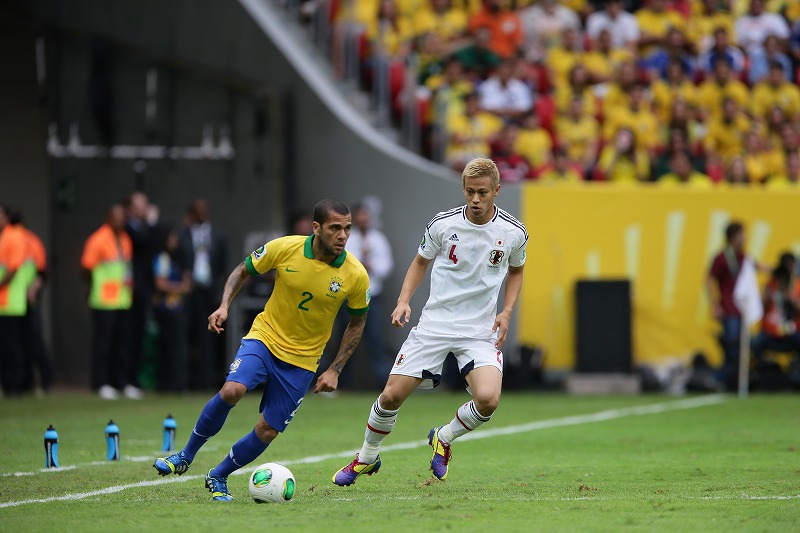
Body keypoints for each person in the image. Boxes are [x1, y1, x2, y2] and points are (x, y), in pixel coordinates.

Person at [154, 199, 370, 502]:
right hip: (265, 339)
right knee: (232, 391)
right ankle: (185, 455)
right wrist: (223, 306)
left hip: (303, 361)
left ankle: (219, 475)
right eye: (335, 228)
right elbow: (242, 271)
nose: (343, 235)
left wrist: (335, 368)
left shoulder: (355, 274)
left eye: (347, 229)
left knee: (268, 429)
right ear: (317, 228)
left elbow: (357, 322)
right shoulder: (285, 248)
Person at [332, 158, 527, 486]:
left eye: (482, 192)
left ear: (496, 190)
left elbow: (517, 271)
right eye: (469, 192)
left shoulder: (513, 232)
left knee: (489, 400)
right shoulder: (442, 224)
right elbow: (420, 262)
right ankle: (365, 458)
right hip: (435, 324)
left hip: (479, 330)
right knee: (391, 396)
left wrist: (506, 311)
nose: (475, 199)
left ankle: (444, 437)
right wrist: (403, 300)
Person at [80, 204, 136, 400]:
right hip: (104, 300)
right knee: (104, 344)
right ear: (108, 218)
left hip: (122, 299)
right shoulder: (97, 239)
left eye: (123, 217)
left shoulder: (125, 239)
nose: (121, 220)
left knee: (123, 343)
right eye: (117, 217)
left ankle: (122, 383)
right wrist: (94, 285)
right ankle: (102, 383)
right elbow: (86, 267)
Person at [341, 202, 394, 388]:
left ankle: (384, 385)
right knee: (345, 339)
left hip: (374, 297)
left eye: (366, 215)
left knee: (376, 340)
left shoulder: (378, 239)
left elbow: (386, 266)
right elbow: (345, 265)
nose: (363, 219)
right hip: (350, 297)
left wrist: (370, 265)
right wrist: (362, 263)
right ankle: (341, 383)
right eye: (360, 215)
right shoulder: (348, 238)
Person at [179, 198, 228, 390]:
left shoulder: (217, 235)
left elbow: (222, 264)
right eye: (197, 210)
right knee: (186, 336)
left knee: (208, 337)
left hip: (209, 290)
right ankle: (183, 382)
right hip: (189, 290)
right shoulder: (183, 233)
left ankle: (206, 382)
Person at [706, 221, 753, 391]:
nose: (745, 237)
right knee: (731, 346)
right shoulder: (722, 257)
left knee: (738, 348)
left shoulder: (743, 257)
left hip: (741, 310)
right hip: (728, 308)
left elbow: (756, 266)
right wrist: (715, 304)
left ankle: (727, 381)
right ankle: (722, 379)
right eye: (743, 233)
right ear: (734, 236)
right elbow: (709, 279)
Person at [152, 227, 192, 393]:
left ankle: (178, 384)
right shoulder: (162, 258)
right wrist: (179, 287)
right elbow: (160, 284)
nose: (174, 242)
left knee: (179, 347)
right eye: (171, 238)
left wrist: (180, 287)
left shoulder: (178, 259)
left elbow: (187, 284)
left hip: (178, 307)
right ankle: (166, 384)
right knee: (168, 346)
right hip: (166, 308)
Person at [0, 204, 28, 397]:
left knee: (12, 346)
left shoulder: (14, 237)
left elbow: (13, 268)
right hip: (3, 302)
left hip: (11, 301)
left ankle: (15, 386)